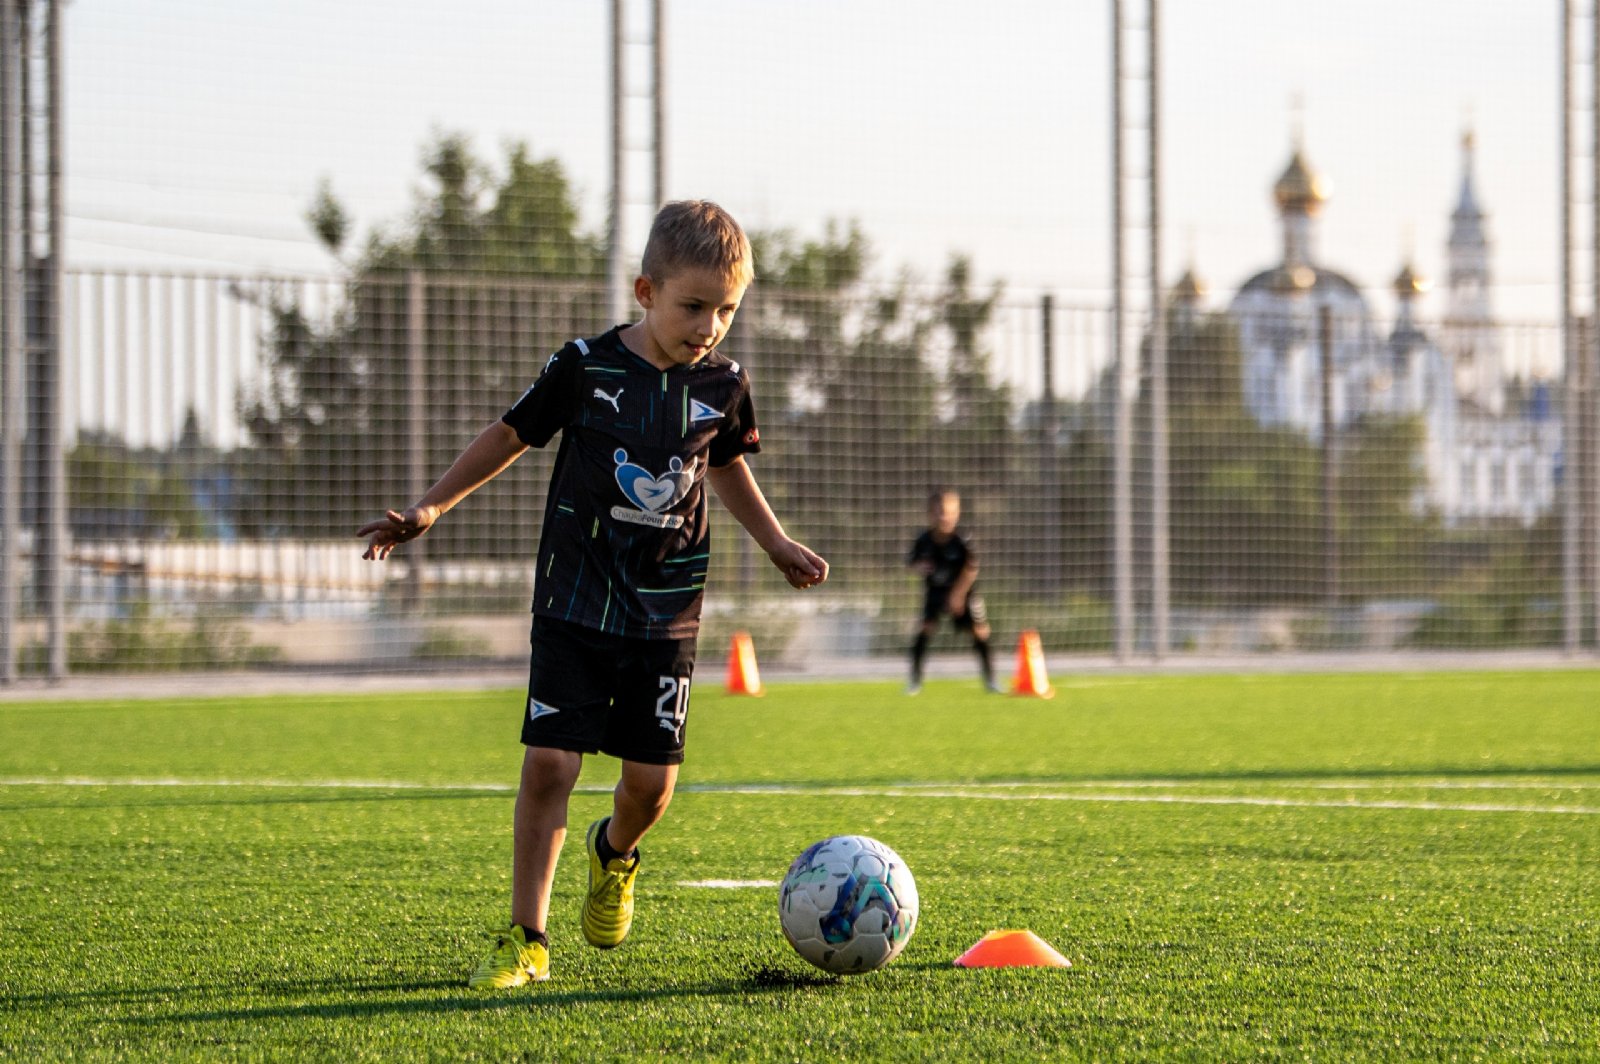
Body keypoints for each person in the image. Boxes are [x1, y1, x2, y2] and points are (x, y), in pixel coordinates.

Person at [357, 200, 827, 989]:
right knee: (549, 765)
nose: (709, 325)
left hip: (667, 614)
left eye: (727, 310)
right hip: (575, 601)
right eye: (693, 306)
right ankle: (526, 940)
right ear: (646, 291)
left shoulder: (725, 383)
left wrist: (776, 542)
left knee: (651, 787)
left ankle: (614, 852)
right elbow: (509, 433)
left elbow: (726, 465)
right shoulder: (584, 365)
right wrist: (431, 506)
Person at [906, 488, 997, 695]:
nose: (943, 516)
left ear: (956, 513)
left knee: (979, 631)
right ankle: (914, 682)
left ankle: (991, 680)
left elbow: (971, 568)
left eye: (948, 512)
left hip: (963, 593)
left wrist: (958, 596)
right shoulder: (924, 540)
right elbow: (911, 562)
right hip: (936, 592)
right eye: (939, 512)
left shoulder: (961, 540)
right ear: (930, 514)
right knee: (924, 629)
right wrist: (919, 566)